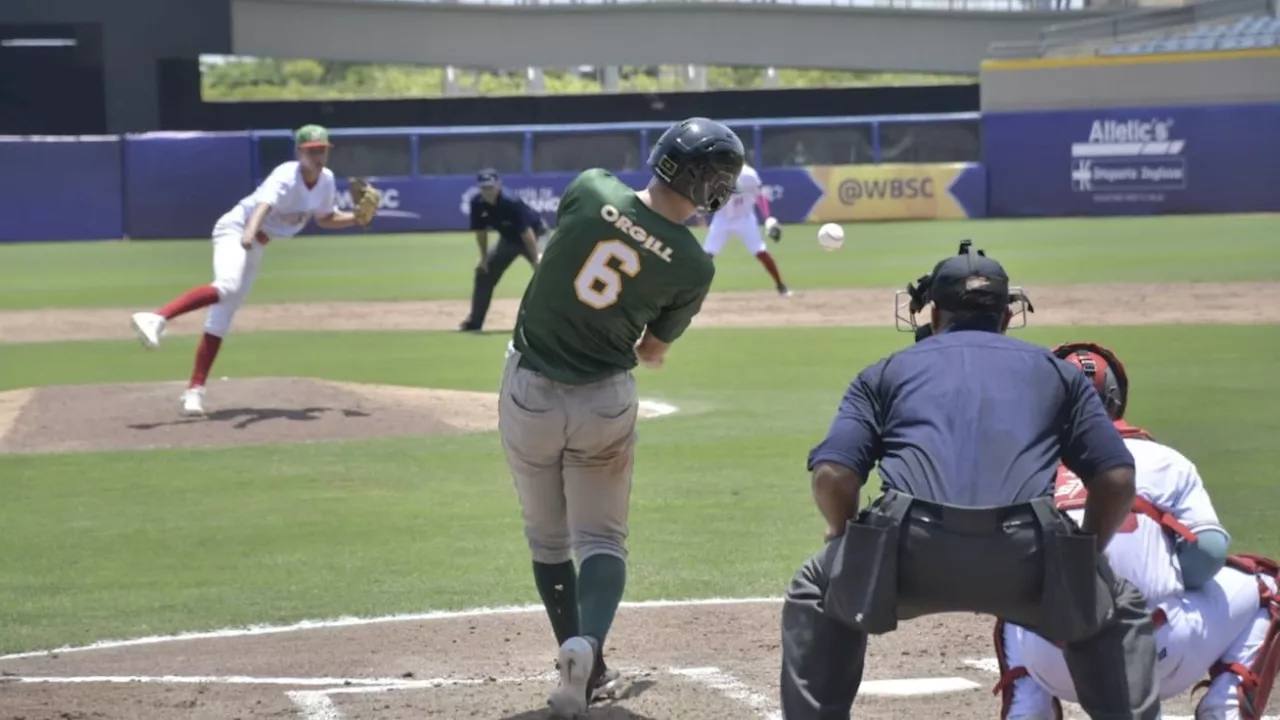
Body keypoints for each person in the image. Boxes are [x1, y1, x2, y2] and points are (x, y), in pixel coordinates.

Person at [778, 241, 1161, 720]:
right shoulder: (1057, 374)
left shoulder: (886, 372)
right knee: (1115, 604)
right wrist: (1086, 552)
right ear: (1006, 315)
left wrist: (843, 538)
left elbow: (833, 474)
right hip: (1029, 559)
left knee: (817, 589)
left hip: (906, 555)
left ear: (933, 313)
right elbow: (1118, 477)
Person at [497, 117, 742, 718]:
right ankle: (589, 650)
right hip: (604, 399)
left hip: (529, 388)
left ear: (660, 157)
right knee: (602, 538)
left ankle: (576, 650)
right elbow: (652, 352)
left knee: (547, 537)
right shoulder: (693, 263)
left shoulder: (591, 186)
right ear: (715, 188)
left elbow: (567, 256)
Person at [994, 343, 1280, 720]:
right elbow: (1208, 555)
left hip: (1053, 662)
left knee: (1013, 603)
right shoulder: (1163, 460)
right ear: (1117, 400)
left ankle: (1026, 709)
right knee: (1266, 587)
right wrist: (1161, 569)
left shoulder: (1023, 469)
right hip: (1157, 657)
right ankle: (1225, 706)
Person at [128, 124, 374, 416]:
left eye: (322, 150)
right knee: (228, 286)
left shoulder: (326, 181)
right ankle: (156, 318)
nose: (318, 156)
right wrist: (248, 233)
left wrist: (356, 219)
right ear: (299, 153)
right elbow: (263, 206)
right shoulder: (286, 174)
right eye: (311, 151)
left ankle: (194, 392)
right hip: (237, 230)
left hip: (256, 243)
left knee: (223, 315)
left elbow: (326, 218)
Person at [458, 169, 544, 332]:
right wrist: (483, 258)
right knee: (484, 272)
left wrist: (536, 258)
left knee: (548, 273)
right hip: (509, 240)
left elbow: (527, 233)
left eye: (490, 187)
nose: (488, 192)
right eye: (484, 188)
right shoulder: (477, 203)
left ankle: (555, 323)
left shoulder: (511, 201)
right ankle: (475, 322)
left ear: (499, 185)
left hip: (536, 236)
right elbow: (481, 232)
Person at [701, 162, 790, 296]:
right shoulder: (715, 173)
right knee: (706, 255)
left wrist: (767, 218)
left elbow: (759, 196)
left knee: (760, 251)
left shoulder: (749, 174)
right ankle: (690, 289)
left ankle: (781, 285)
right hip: (722, 218)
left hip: (744, 217)